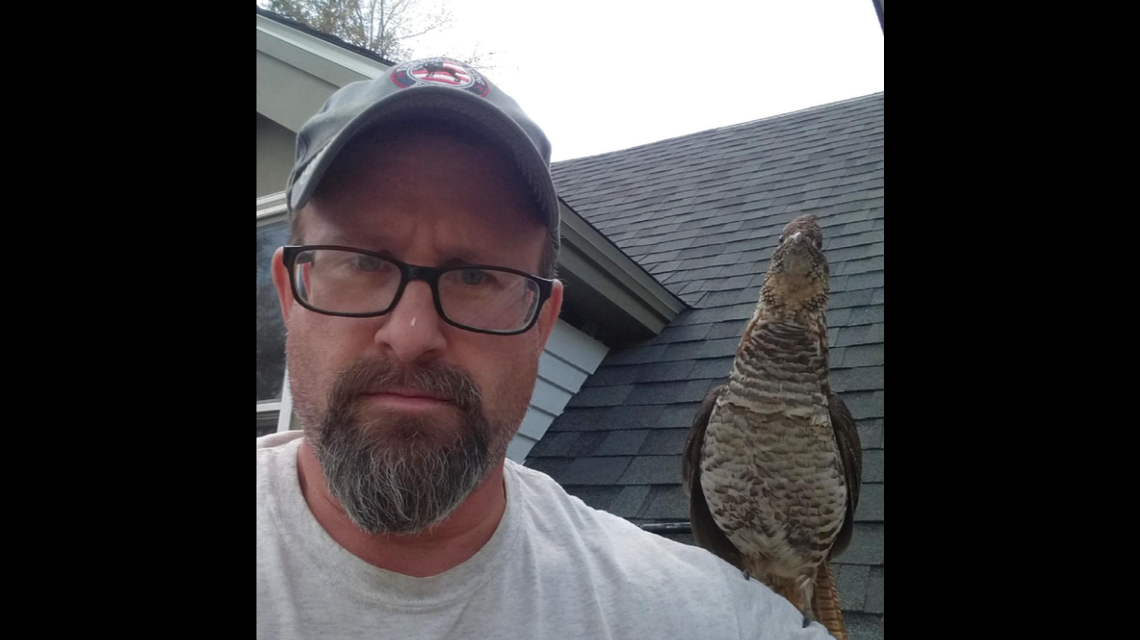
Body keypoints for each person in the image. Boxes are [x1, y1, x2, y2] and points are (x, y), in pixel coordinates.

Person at [257, 56, 834, 639]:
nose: (410, 336)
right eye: (360, 262)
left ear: (543, 324)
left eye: (477, 277)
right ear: (288, 294)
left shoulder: (707, 620)